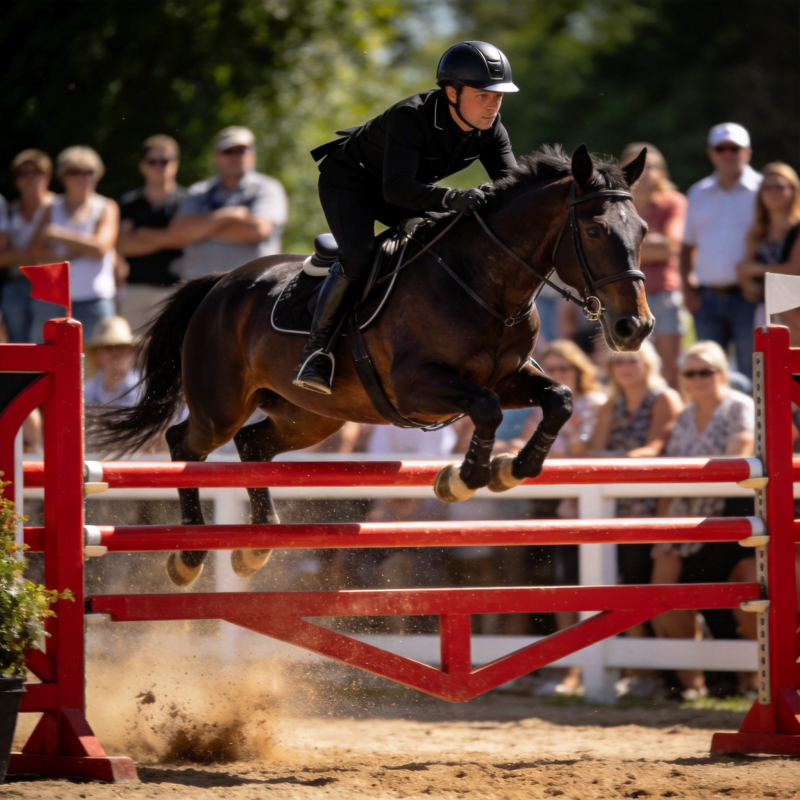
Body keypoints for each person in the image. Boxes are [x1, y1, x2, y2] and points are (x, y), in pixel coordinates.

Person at [294, 41, 519, 395]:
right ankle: (316, 351)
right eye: (482, 96)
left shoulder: (492, 129)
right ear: (451, 92)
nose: (492, 105)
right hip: (350, 183)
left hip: (399, 188)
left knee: (453, 236)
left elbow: (512, 189)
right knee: (360, 255)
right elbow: (396, 190)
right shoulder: (409, 118)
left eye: (499, 97)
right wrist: (451, 196)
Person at [650, 341, 756, 699]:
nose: (697, 379)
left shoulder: (739, 406)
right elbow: (668, 475)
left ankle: (744, 679)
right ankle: (691, 682)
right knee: (662, 595)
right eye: (690, 373)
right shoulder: (685, 414)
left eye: (705, 371)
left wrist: (688, 479)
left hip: (726, 516)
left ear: (721, 373)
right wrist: (660, 528)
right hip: (685, 516)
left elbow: (739, 455)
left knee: (728, 593)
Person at [511, 340, 607, 695]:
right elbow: (520, 445)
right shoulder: (542, 408)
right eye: (553, 370)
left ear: (579, 371)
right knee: (552, 584)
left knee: (585, 585)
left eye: (565, 369)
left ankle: (580, 671)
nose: (559, 375)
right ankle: (559, 667)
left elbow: (589, 450)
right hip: (548, 503)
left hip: (586, 504)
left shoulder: (596, 403)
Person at [589, 341, 683, 585]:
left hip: (653, 498)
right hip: (615, 497)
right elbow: (595, 450)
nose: (625, 367)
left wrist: (616, 460)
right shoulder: (609, 405)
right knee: (618, 577)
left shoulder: (664, 398)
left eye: (632, 360)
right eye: (618, 362)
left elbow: (654, 448)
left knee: (641, 577)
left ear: (648, 364)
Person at [680, 123, 762, 378]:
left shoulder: (764, 191)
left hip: (750, 298)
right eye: (721, 148)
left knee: (755, 372)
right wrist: (687, 289)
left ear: (747, 152)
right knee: (708, 372)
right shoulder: (698, 193)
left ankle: (752, 419)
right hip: (707, 298)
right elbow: (686, 246)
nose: (727, 154)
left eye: (734, 148)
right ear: (711, 153)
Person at [169, 126, 287, 282]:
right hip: (199, 292)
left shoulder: (267, 188)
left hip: (252, 291)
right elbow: (178, 234)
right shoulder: (198, 191)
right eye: (228, 151)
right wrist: (228, 216)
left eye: (241, 150)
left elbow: (258, 230)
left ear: (252, 154)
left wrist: (201, 231)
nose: (235, 157)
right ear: (215, 156)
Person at [27, 146, 119, 338]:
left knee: (97, 364)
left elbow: (101, 247)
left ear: (97, 175)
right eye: (74, 171)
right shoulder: (51, 207)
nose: (82, 177)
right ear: (63, 176)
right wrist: (72, 253)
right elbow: (33, 251)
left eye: (88, 172)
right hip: (53, 301)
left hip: (94, 299)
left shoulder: (106, 206)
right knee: (48, 362)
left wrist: (59, 236)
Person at [620, 143, 687, 388]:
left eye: (652, 166)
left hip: (663, 293)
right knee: (625, 363)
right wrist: (651, 244)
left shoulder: (672, 203)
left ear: (662, 171)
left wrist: (625, 246)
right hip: (625, 296)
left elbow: (669, 248)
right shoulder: (618, 204)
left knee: (670, 367)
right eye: (638, 166)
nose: (646, 172)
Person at [116, 135, 187, 333]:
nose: (159, 166)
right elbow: (122, 246)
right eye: (152, 161)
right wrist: (169, 238)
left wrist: (143, 234)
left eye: (165, 161)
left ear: (176, 164)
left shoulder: (188, 201)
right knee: (133, 358)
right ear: (142, 165)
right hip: (135, 291)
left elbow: (186, 240)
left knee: (173, 357)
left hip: (177, 290)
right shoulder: (130, 203)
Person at [736, 162, 800, 344]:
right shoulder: (757, 231)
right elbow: (743, 273)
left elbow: (795, 269)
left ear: (793, 190)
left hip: (795, 310)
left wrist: (755, 270)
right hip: (765, 310)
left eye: (780, 187)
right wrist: (750, 284)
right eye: (767, 187)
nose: (773, 192)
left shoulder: (798, 228)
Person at [0, 150, 56, 342]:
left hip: (49, 283)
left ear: (48, 175)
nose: (30, 178)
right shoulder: (9, 210)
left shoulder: (59, 206)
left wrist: (17, 255)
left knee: (44, 341)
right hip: (15, 283)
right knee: (17, 344)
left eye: (36, 171)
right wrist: (34, 254)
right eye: (23, 173)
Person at [83, 316, 140, 408]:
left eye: (121, 347)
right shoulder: (87, 391)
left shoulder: (145, 389)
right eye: (108, 348)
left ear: (132, 352)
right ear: (97, 354)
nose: (115, 354)